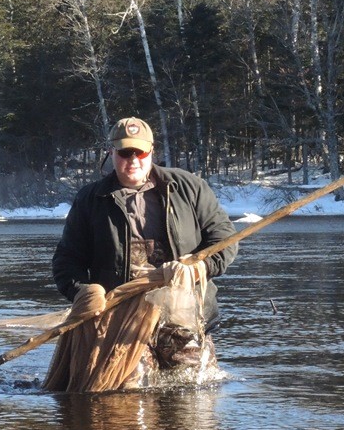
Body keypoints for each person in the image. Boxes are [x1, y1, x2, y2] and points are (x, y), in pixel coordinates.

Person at [45, 117, 238, 392]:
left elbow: (226, 241)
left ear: (151, 151)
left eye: (140, 152)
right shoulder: (90, 200)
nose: (133, 160)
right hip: (121, 319)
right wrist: (82, 292)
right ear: (111, 153)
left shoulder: (190, 187)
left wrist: (200, 268)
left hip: (185, 315)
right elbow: (66, 260)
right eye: (124, 153)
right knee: (131, 397)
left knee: (196, 403)